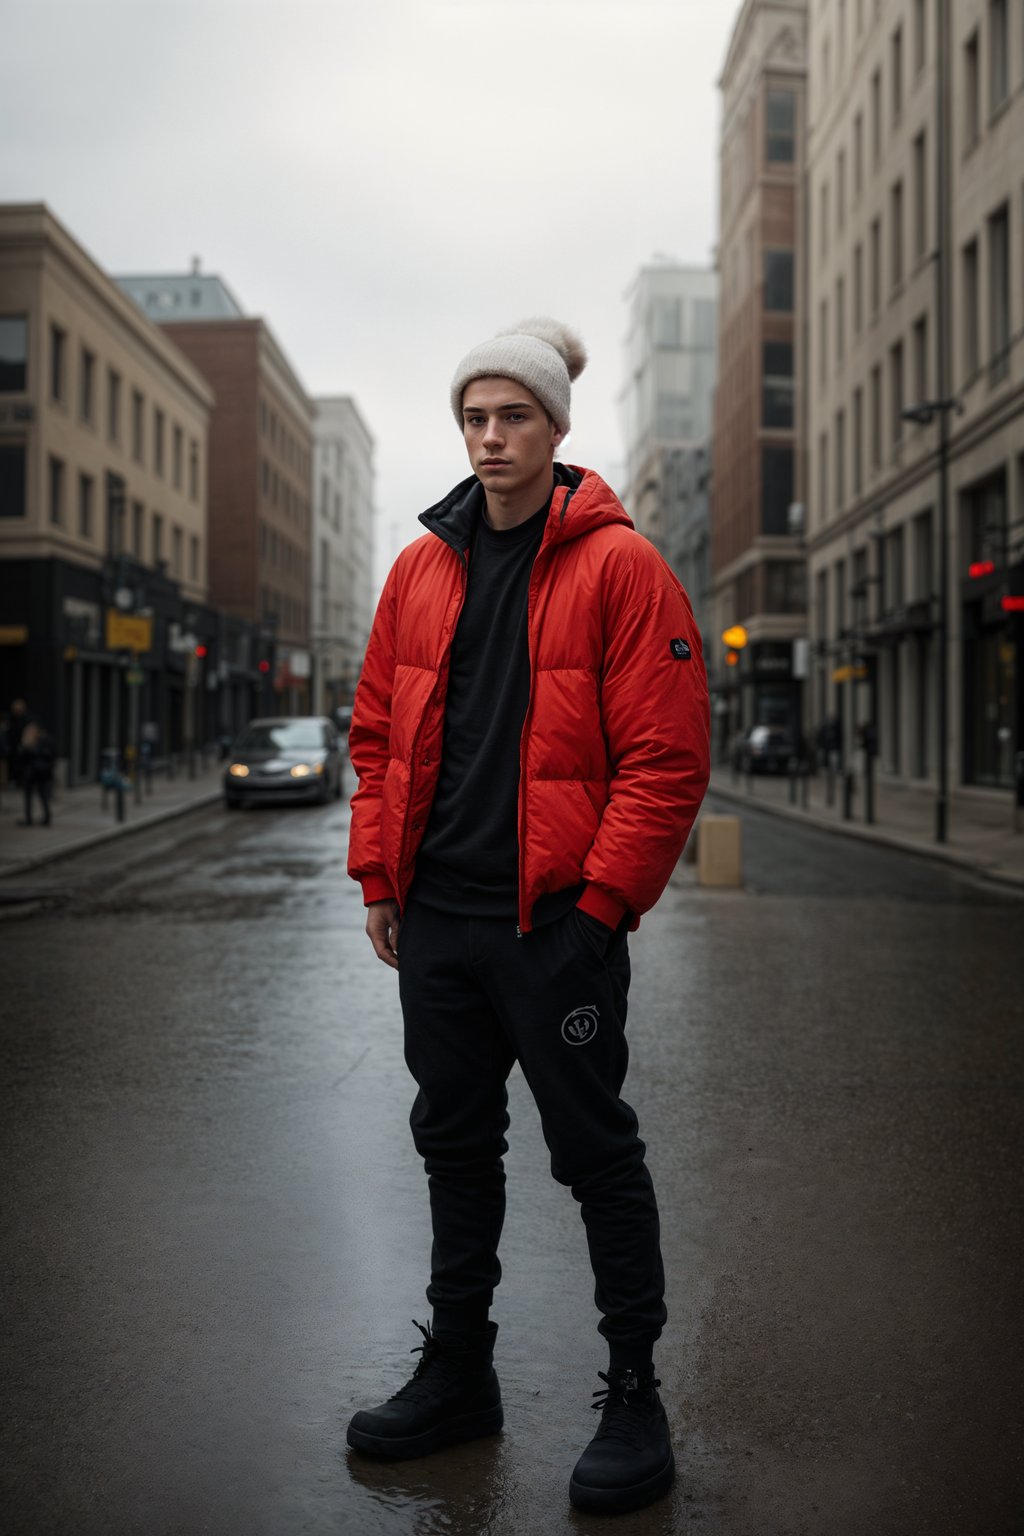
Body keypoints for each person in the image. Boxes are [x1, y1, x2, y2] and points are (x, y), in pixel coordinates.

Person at [345, 318, 710, 1516]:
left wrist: (599, 911)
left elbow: (665, 758)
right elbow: (377, 739)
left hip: (554, 928)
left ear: (556, 428)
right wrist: (381, 881)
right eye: (473, 417)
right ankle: (459, 1374)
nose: (489, 436)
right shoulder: (419, 569)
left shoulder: (621, 566)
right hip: (439, 925)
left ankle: (634, 1391)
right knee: (453, 1147)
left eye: (512, 416)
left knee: (595, 1155)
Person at [17, 720, 55, 827]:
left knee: (39, 795)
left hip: (37, 772)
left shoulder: (42, 740)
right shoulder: (31, 741)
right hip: (36, 772)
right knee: (37, 795)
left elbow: (49, 754)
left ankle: (37, 818)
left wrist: (29, 748)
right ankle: (33, 818)